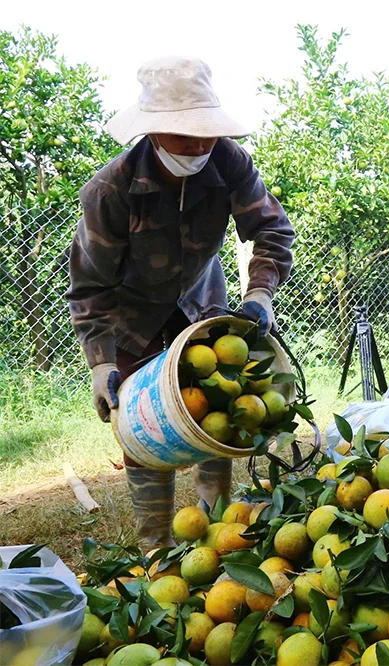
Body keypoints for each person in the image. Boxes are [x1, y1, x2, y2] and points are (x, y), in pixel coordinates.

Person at [65, 57, 295, 548]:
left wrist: (259, 292)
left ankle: (217, 533)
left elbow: (271, 229)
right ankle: (157, 547)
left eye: (206, 131)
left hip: (202, 306)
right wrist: (101, 363)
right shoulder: (110, 191)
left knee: (217, 408)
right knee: (142, 427)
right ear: (153, 132)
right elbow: (89, 288)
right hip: (132, 320)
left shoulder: (228, 160)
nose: (200, 145)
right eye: (185, 134)